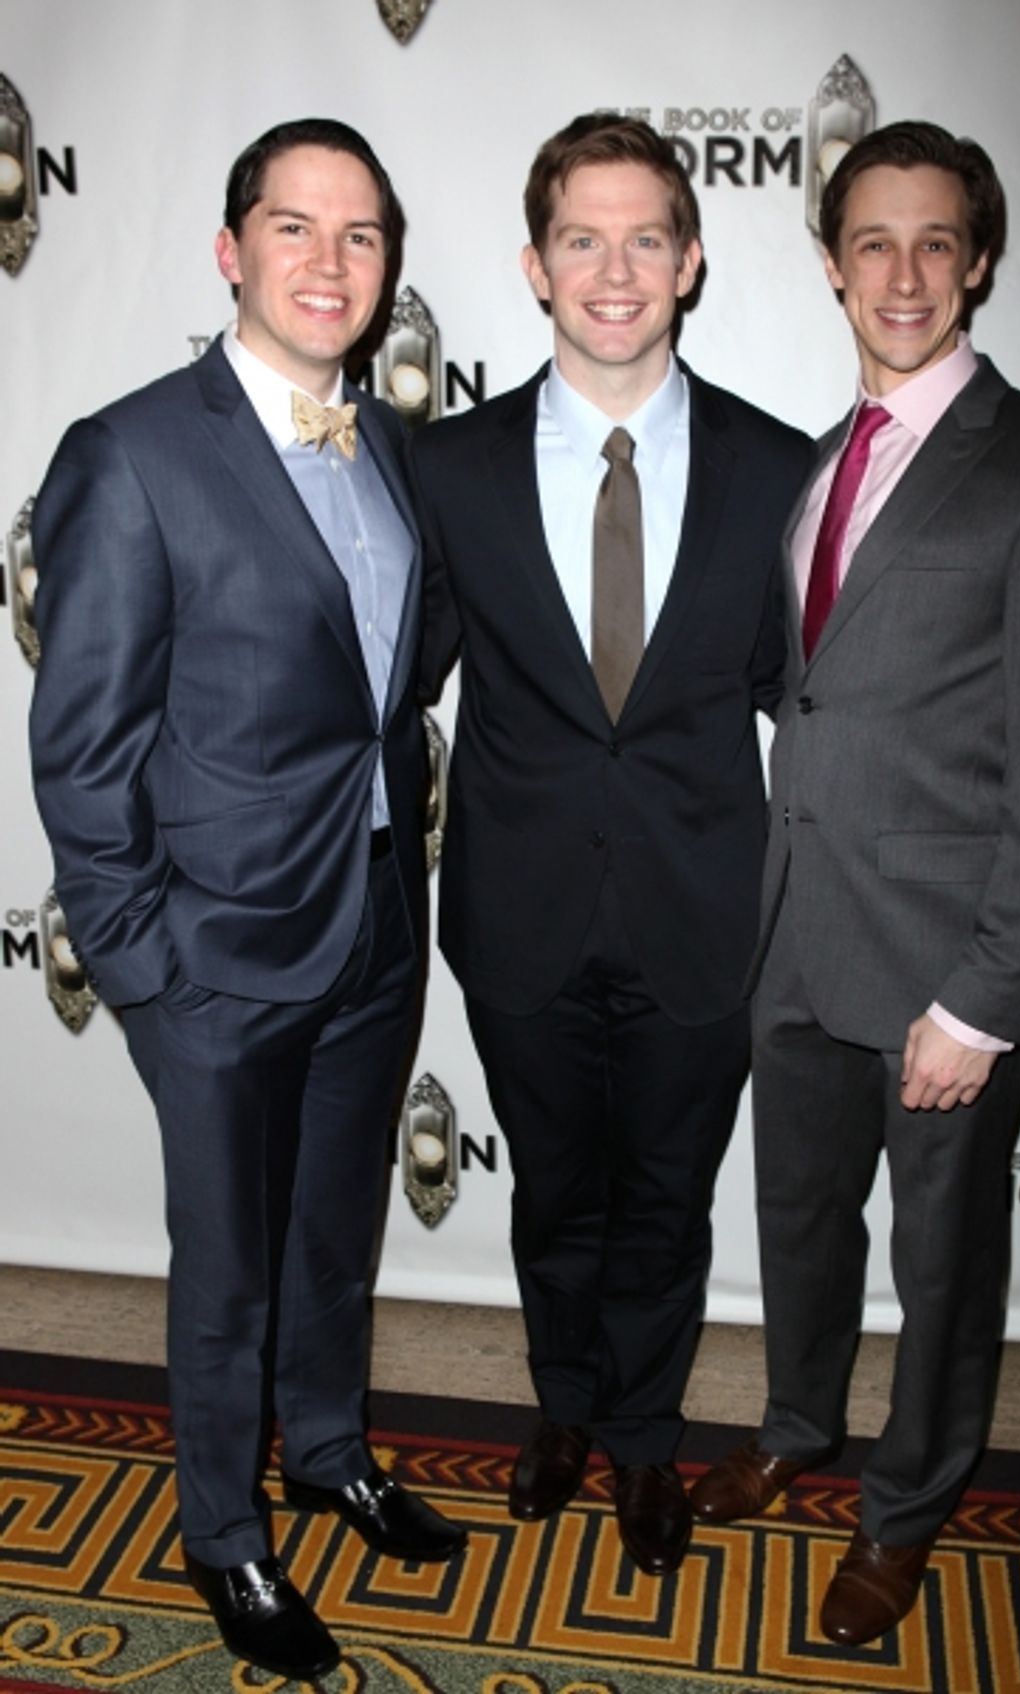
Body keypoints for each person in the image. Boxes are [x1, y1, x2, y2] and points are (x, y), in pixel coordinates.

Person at [690, 120, 1020, 1645]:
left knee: (943, 1268)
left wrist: (986, 998)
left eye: (935, 241)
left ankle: (904, 1508)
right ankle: (796, 1424)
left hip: (950, 970)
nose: (903, 273)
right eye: (872, 242)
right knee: (802, 1222)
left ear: (980, 260)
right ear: (830, 265)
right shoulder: (824, 464)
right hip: (798, 942)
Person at [29, 118, 465, 1684]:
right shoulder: (131, 452)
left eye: (360, 234)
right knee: (225, 1269)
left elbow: (395, 674)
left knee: (335, 1228)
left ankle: (330, 1450)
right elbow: (81, 746)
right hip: (212, 952)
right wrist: (146, 965)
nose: (329, 261)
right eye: (295, 227)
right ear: (232, 250)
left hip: (374, 917)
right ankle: (224, 1531)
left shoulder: (393, 444)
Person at [411, 114, 812, 1576]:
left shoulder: (780, 469)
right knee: (554, 1191)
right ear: (536, 265)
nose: (616, 269)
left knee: (665, 1200)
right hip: (517, 905)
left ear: (690, 260)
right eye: (583, 238)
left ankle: (643, 1436)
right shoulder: (446, 466)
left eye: (647, 237)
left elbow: (808, 701)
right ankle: (564, 1406)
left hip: (705, 907)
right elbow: (390, 678)